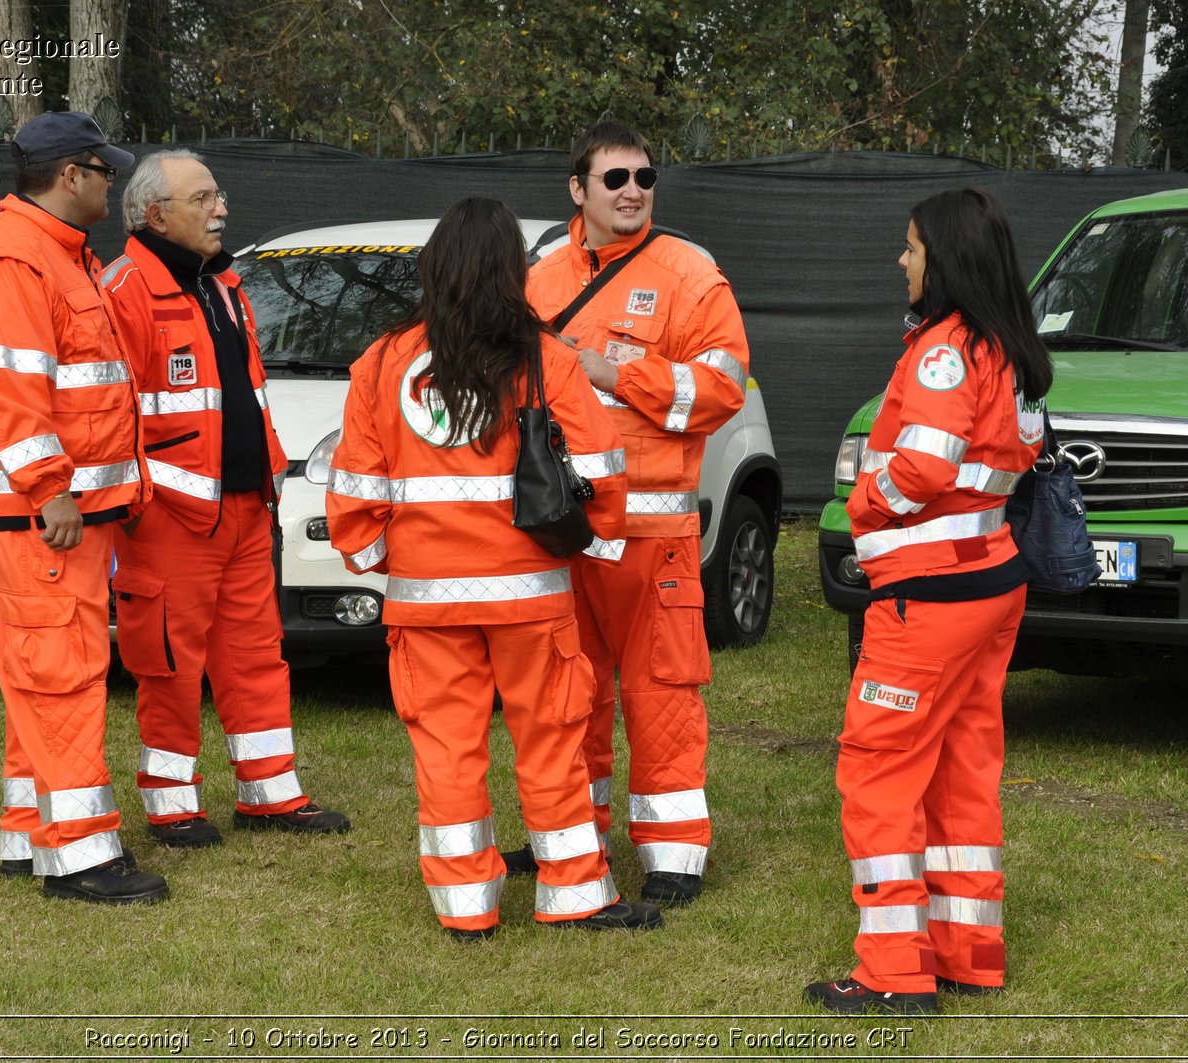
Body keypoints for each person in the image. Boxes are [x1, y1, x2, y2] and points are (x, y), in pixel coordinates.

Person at [325, 196, 660, 939]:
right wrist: (584, 549)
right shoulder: (548, 359)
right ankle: (574, 895)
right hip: (532, 596)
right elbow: (603, 477)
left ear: (434, 269)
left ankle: (466, 907)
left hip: (425, 603)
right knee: (551, 739)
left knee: (446, 751)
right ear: (514, 272)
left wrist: (400, 564)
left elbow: (353, 500)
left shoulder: (381, 364)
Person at [803, 188, 1053, 1015]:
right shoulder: (1009, 347)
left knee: (878, 771)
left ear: (942, 258)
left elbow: (924, 468)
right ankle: (967, 952)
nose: (901, 261)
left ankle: (890, 972)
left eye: (910, 248)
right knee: (963, 772)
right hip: (990, 584)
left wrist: (864, 499)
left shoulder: (945, 351)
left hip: (931, 598)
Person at [519, 120, 749, 908]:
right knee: (564, 689)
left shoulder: (691, 274)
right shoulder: (540, 279)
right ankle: (569, 835)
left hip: (653, 534)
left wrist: (612, 370)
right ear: (577, 189)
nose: (631, 192)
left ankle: (673, 853)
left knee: (662, 691)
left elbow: (720, 390)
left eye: (644, 179)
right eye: (614, 178)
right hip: (561, 533)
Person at [102, 150, 350, 847]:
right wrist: (142, 498)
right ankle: (172, 804)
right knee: (170, 662)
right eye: (204, 197)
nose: (221, 209)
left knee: (256, 653)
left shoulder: (225, 283)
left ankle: (269, 793)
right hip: (168, 517)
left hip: (243, 508)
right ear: (157, 214)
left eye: (219, 194)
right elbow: (111, 411)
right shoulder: (124, 291)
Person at [0, 111, 168, 904]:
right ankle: (81, 858)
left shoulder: (56, 255)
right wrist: (52, 489)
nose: (115, 181)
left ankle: (28, 834)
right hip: (43, 513)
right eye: (105, 169)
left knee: (40, 673)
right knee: (64, 674)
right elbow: (9, 390)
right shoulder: (15, 258)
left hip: (60, 509)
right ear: (69, 175)